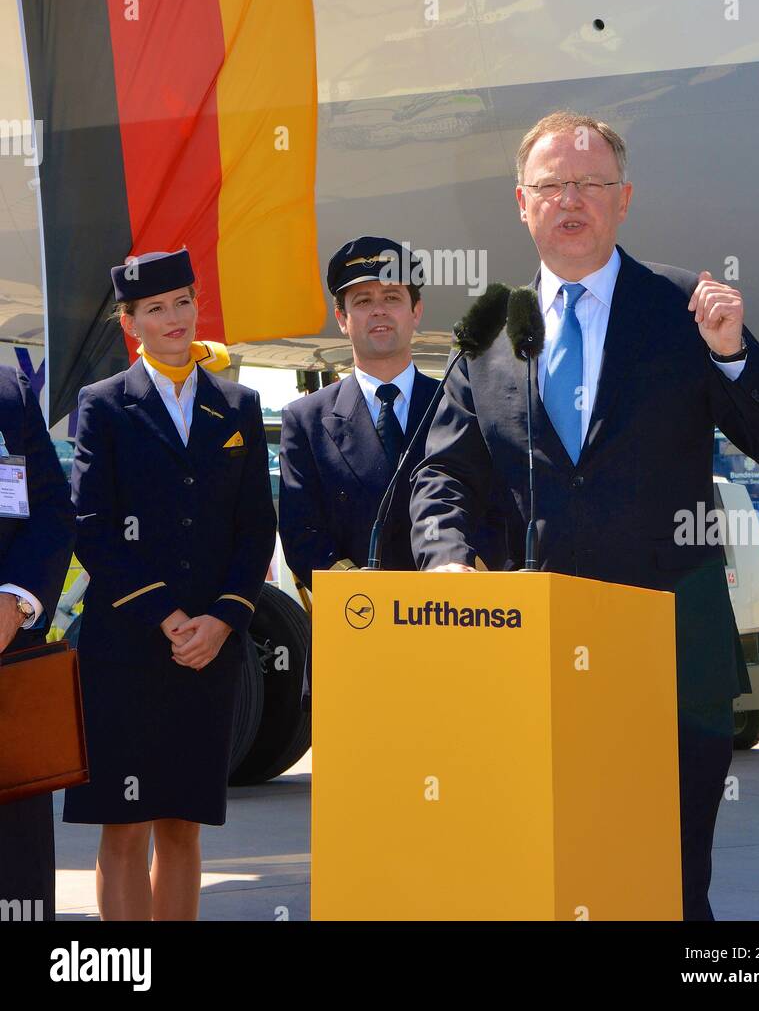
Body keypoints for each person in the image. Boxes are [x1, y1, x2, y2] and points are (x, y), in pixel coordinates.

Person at [410, 111, 759, 922]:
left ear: (624, 199)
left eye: (591, 183)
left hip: (670, 659)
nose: (572, 199)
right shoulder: (489, 330)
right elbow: (443, 476)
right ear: (522, 204)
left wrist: (734, 355)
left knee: (663, 888)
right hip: (531, 662)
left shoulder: (684, 308)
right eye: (551, 185)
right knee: (545, 884)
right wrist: (446, 557)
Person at [62, 249, 276, 921]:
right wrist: (166, 615)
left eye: (182, 301)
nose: (174, 317)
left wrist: (222, 619)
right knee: (124, 827)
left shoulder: (238, 405)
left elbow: (254, 527)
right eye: (155, 308)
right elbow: (91, 526)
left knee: (183, 824)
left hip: (210, 648)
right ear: (132, 324)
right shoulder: (103, 406)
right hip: (127, 646)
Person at [279, 237, 442, 584]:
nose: (379, 310)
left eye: (392, 298)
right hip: (359, 617)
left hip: (452, 613)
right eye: (363, 301)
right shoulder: (306, 421)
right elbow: (301, 533)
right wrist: (362, 588)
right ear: (342, 318)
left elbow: (492, 511)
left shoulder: (457, 406)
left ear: (416, 311)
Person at [0, 367, 73, 921]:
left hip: (8, 663)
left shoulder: (10, 391)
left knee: (16, 884)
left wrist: (15, 599)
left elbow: (50, 505)